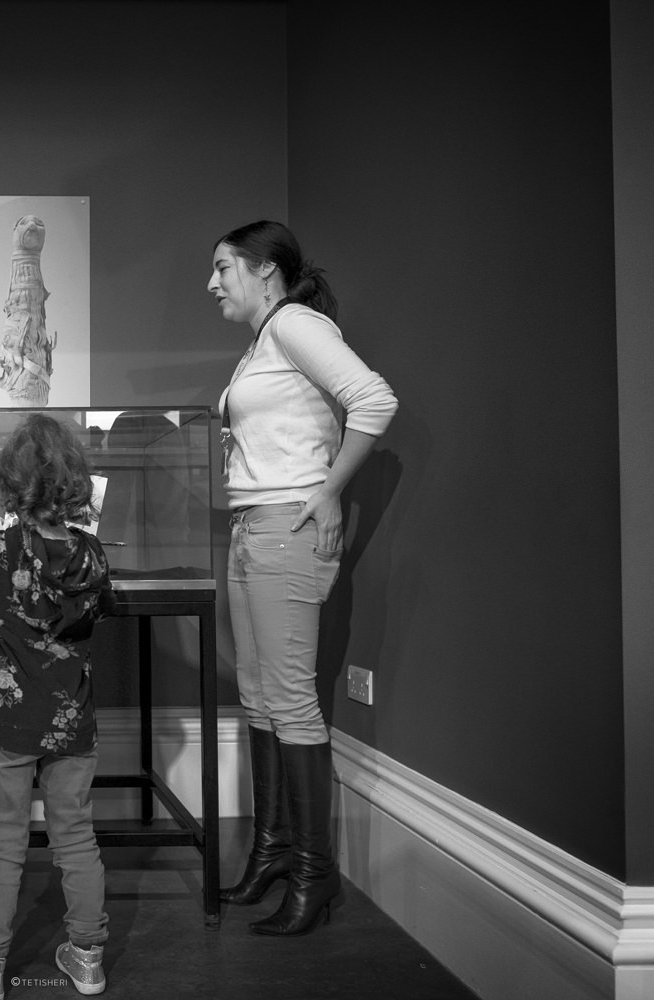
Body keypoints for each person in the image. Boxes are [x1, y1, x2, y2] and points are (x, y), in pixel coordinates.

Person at [208, 221, 398, 936]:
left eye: (223, 268)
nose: (213, 283)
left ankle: (314, 875)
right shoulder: (263, 343)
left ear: (265, 271)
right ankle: (274, 851)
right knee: (258, 696)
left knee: (288, 701)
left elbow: (374, 400)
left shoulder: (294, 324)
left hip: (287, 526)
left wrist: (327, 491)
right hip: (253, 526)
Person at [0, 413, 118, 1000]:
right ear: (75, 483)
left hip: (5, 723)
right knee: (76, 838)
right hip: (73, 721)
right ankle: (88, 957)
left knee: (3, 844)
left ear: (11, 482)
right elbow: (101, 604)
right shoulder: (93, 556)